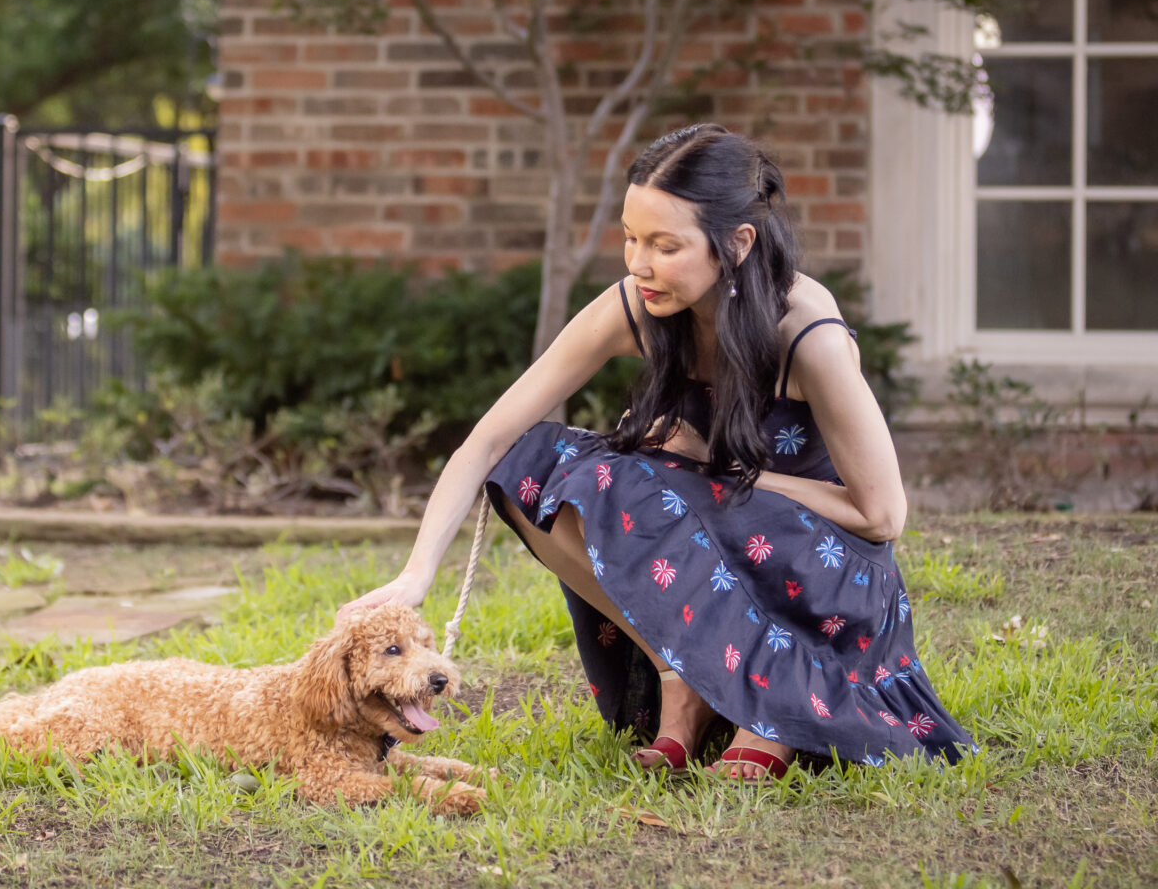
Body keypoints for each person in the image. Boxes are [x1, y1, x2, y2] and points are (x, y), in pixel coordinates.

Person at [339, 124, 975, 781]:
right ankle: (683, 676)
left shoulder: (805, 332)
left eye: (665, 246)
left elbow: (881, 516)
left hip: (820, 564)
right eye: (630, 237)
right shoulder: (639, 304)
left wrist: (719, 472)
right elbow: (490, 439)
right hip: (723, 525)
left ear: (736, 244)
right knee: (534, 464)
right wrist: (417, 574)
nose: (637, 263)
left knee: (637, 477)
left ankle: (772, 710)